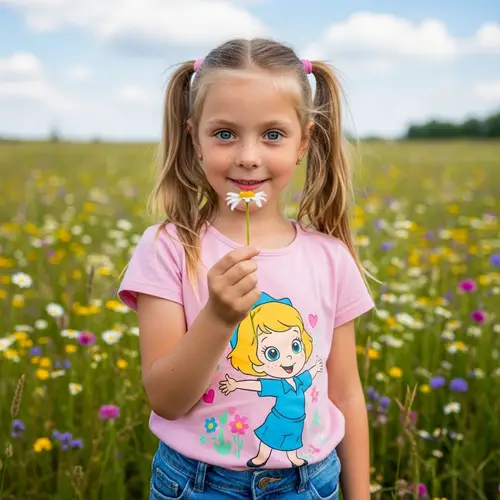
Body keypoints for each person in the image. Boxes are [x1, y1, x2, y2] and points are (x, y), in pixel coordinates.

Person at [118, 37, 375, 500]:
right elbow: (166, 400)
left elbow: (347, 395)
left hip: (310, 483)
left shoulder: (329, 257)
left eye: (273, 134)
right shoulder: (169, 249)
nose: (248, 156)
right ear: (194, 137)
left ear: (304, 144)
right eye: (225, 133)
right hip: (198, 484)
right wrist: (217, 318)